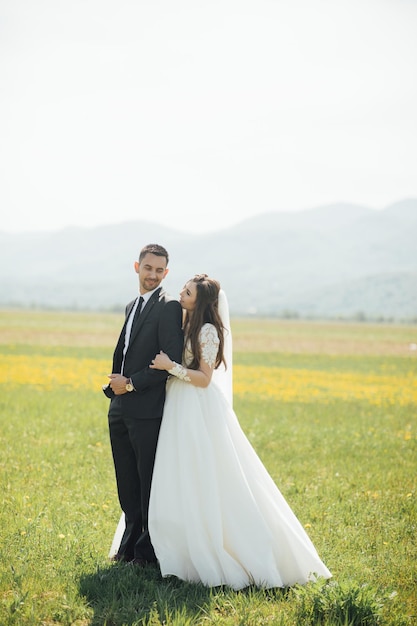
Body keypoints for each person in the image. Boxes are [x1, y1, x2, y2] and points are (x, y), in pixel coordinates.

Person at [146, 274, 332, 589]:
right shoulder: (185, 323)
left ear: (200, 301)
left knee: (206, 473)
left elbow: (204, 378)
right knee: (177, 472)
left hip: (197, 407)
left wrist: (170, 368)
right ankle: (178, 548)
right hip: (179, 404)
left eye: (187, 291)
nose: (181, 291)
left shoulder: (207, 331)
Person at [103, 243, 183, 565]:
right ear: (137, 267)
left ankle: (147, 554)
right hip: (119, 406)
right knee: (127, 484)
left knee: (147, 482)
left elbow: (169, 359)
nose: (153, 275)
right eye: (148, 268)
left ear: (166, 273)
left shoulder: (169, 307)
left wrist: (132, 383)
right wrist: (115, 387)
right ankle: (128, 548)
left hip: (147, 409)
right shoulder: (130, 306)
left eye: (159, 270)